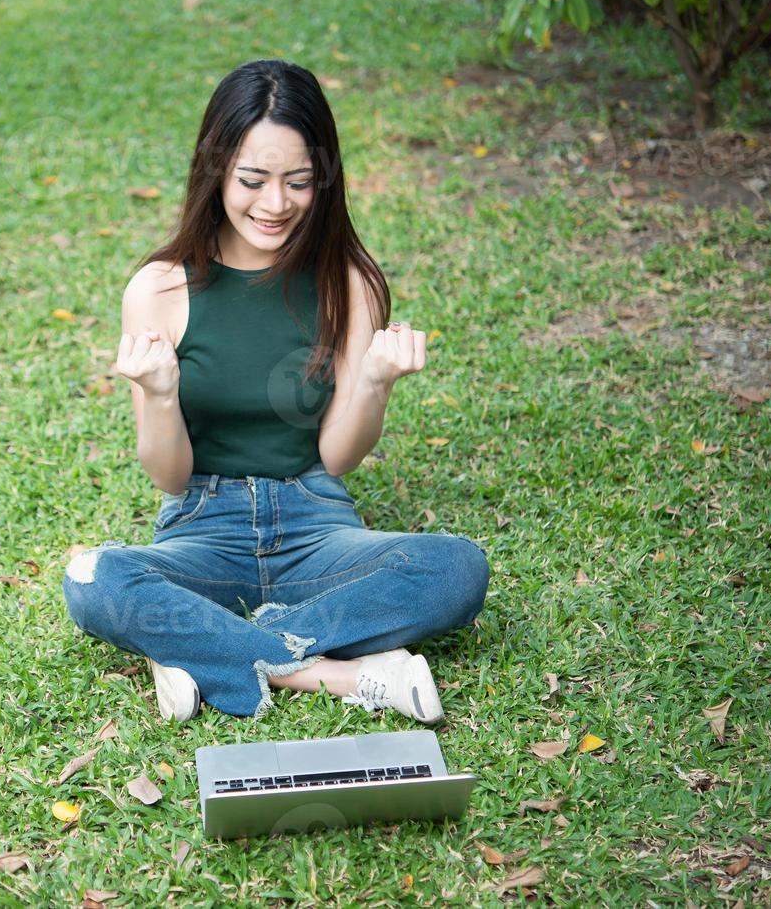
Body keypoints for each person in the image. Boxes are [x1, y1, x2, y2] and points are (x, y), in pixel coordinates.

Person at [61, 59, 489, 723]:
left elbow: (339, 457)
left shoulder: (348, 282)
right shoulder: (158, 289)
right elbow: (167, 474)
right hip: (202, 525)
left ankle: (204, 648)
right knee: (93, 579)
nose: (274, 204)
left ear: (323, 179)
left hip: (315, 524)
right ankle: (335, 675)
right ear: (215, 171)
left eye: (298, 182)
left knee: (457, 568)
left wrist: (373, 383)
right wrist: (161, 393)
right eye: (252, 180)